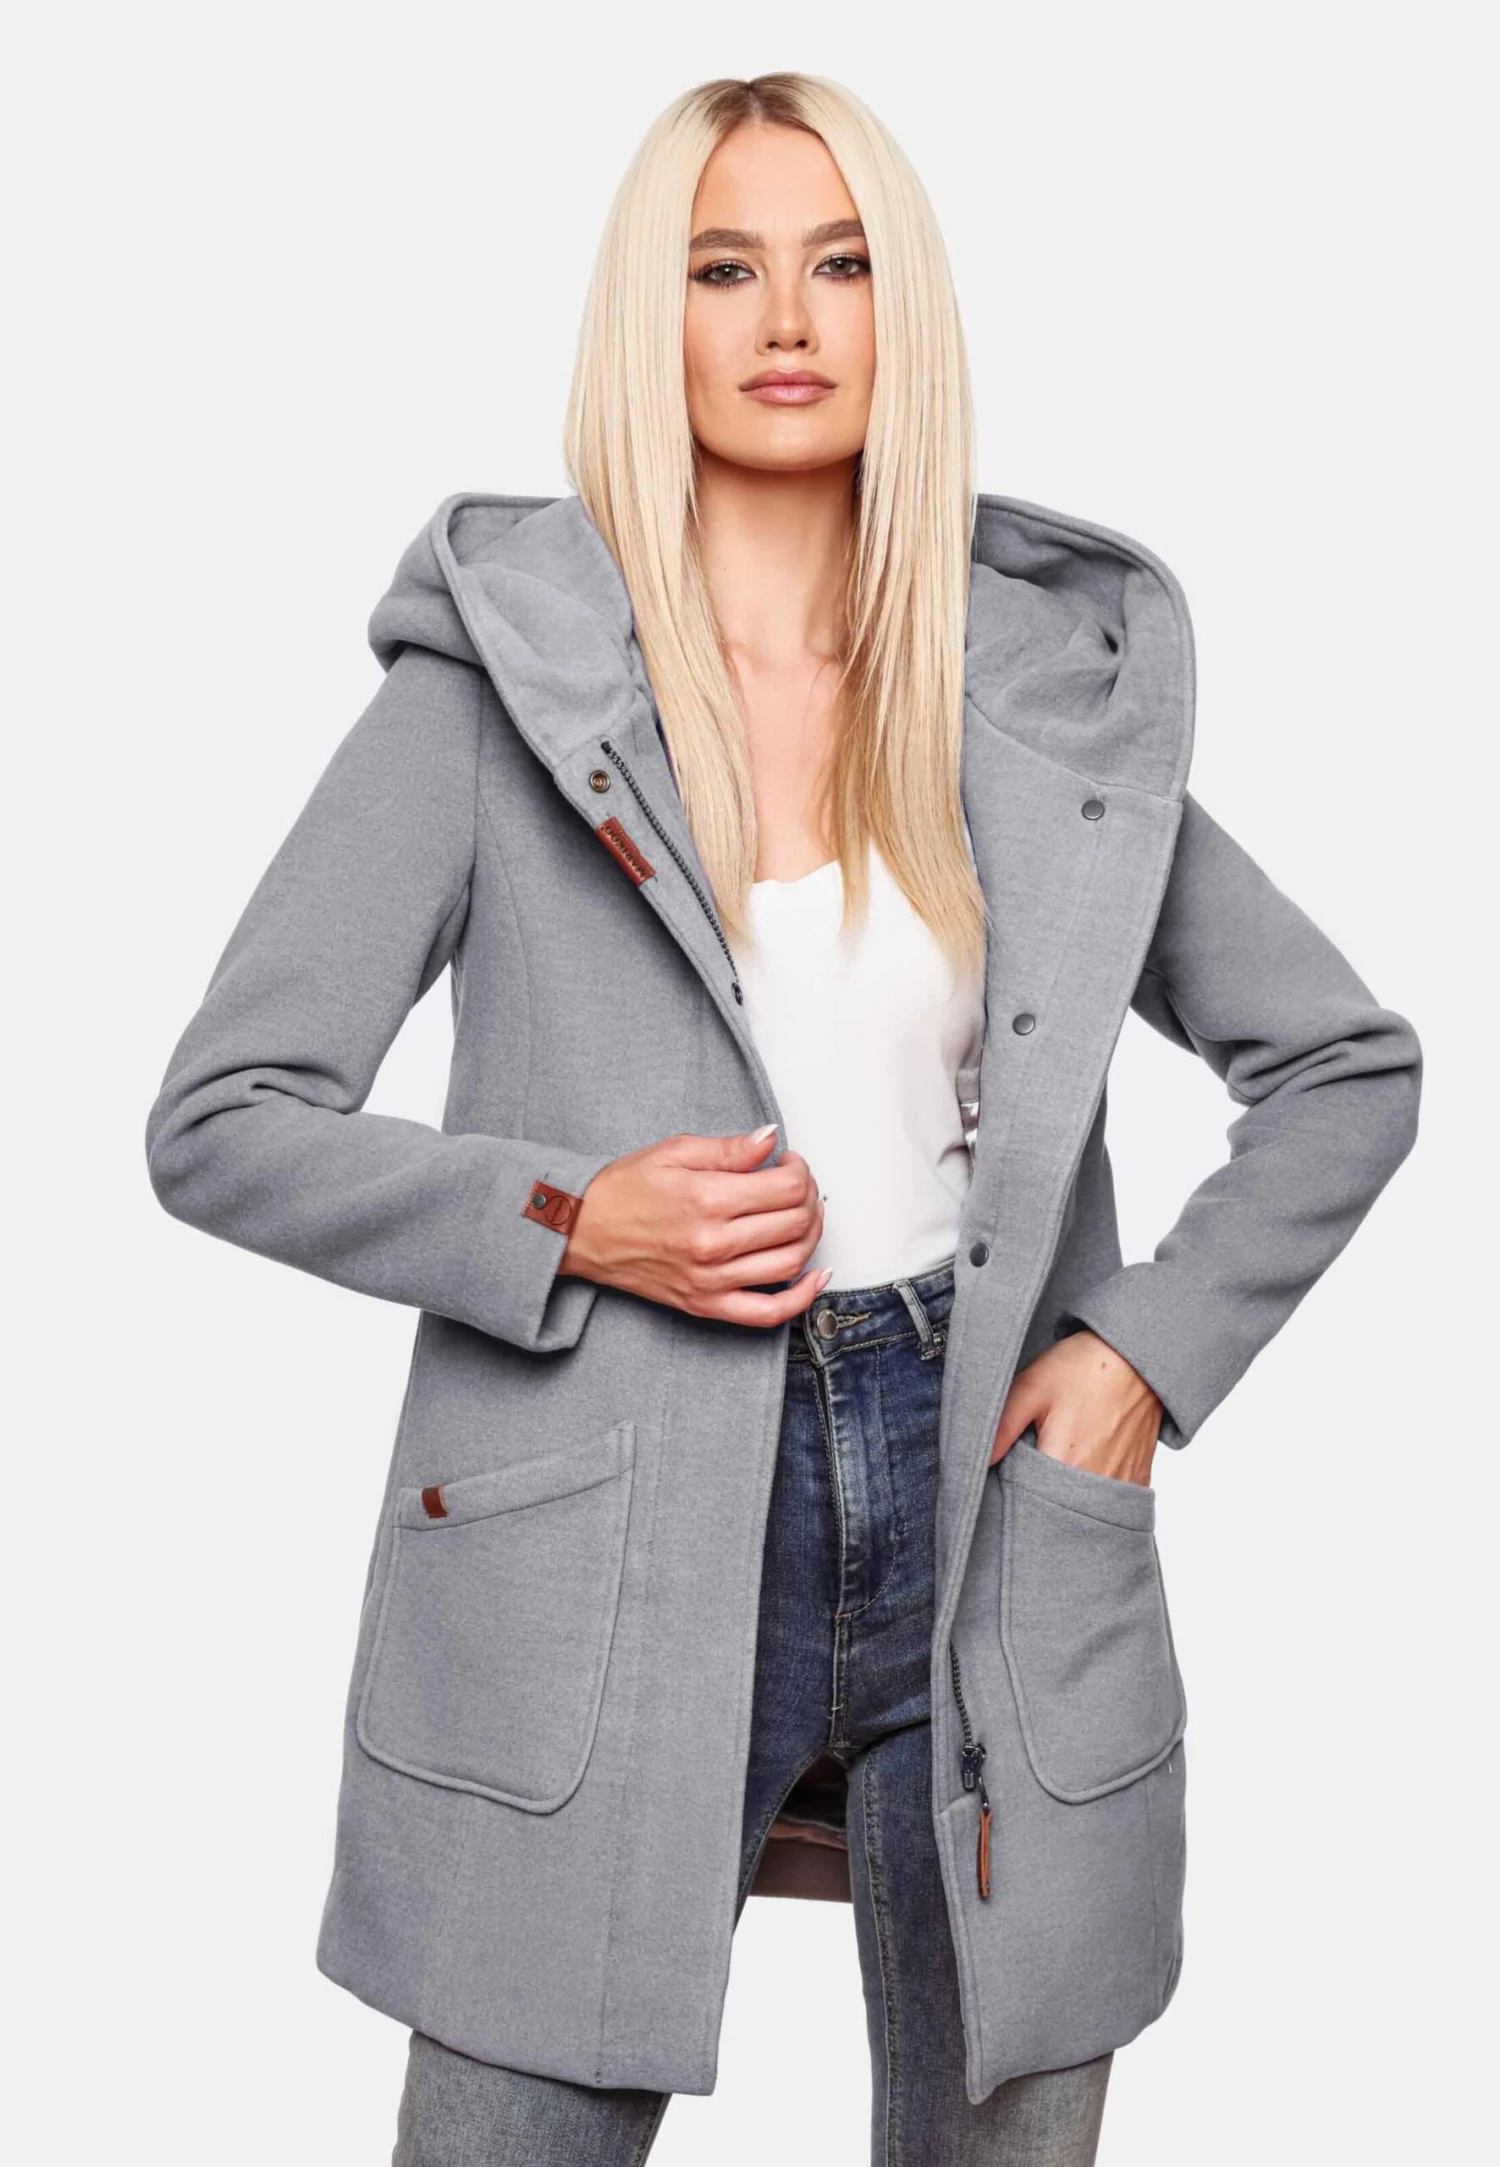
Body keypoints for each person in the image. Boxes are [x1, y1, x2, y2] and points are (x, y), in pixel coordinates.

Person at [143, 72, 1422, 2167]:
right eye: (722, 267)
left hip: (996, 1501)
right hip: (609, 1516)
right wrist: (570, 1217)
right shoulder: (493, 694)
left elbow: (1344, 1066)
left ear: (902, 308)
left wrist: (1138, 1363)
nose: (788, 318)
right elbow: (222, 1116)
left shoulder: (1030, 701)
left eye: (840, 264)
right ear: (646, 319)